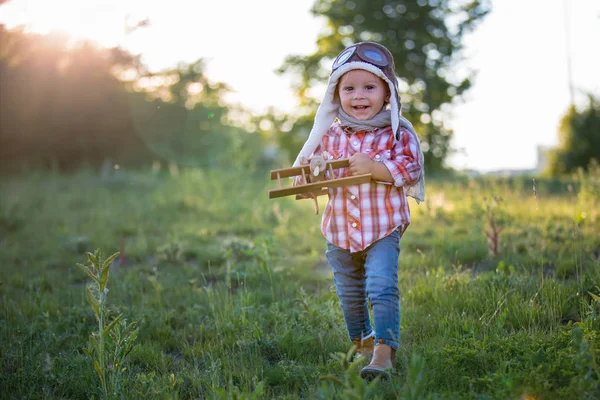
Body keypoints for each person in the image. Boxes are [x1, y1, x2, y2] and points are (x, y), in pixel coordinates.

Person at [292, 42, 425, 380]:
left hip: (382, 227)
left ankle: (384, 352)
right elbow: (318, 175)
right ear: (336, 95)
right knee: (349, 292)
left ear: (387, 93)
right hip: (339, 230)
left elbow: (411, 169)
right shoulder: (331, 134)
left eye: (369, 86)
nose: (359, 95)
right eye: (349, 88)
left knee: (380, 285)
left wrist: (375, 167)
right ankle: (362, 341)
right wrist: (316, 169)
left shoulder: (396, 132)